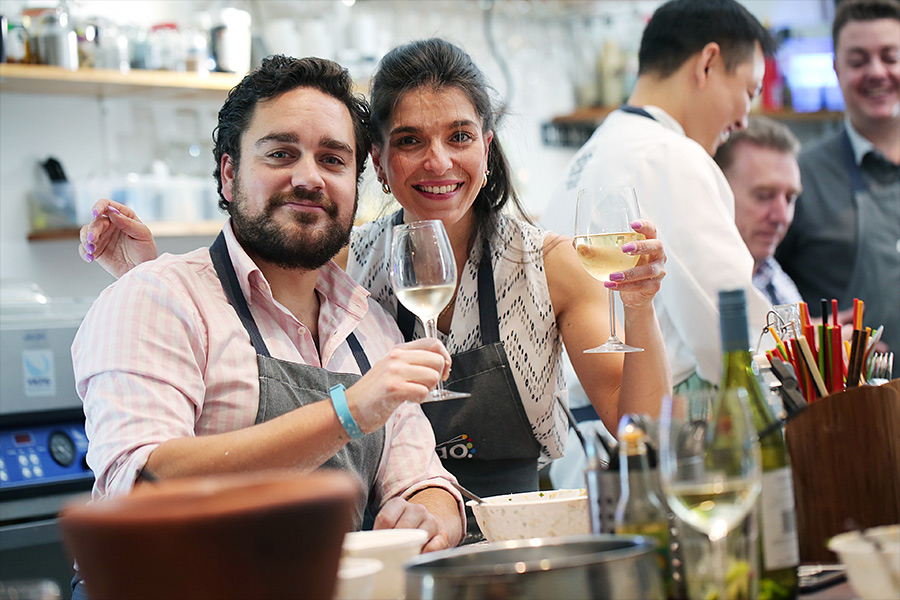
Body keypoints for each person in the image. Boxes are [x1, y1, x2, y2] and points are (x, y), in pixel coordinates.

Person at [77, 40, 672, 532]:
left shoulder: (534, 269)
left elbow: (637, 430)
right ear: (381, 167)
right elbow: (256, 267)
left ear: (487, 150)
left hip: (501, 529)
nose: (437, 161)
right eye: (410, 140)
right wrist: (147, 283)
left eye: (460, 137)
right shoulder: (350, 267)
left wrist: (639, 311)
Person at [71, 57, 465, 600]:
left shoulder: (370, 325)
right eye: (281, 153)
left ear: (356, 183)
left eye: (332, 159)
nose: (308, 177)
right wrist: (348, 412)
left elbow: (425, 479)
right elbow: (142, 486)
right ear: (229, 174)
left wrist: (431, 519)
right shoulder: (157, 297)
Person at [544, 0, 776, 392]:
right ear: (708, 64)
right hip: (658, 422)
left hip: (584, 427)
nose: (744, 120)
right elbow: (728, 328)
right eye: (749, 92)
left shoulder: (594, 150)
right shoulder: (669, 154)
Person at [775, 0, 899, 360]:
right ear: (836, 69)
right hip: (844, 407)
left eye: (890, 57)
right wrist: (805, 338)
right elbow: (755, 283)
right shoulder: (798, 178)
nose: (877, 72)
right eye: (859, 61)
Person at [714, 116, 804, 307]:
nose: (782, 216)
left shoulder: (772, 276)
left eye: (790, 198)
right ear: (717, 191)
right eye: (763, 196)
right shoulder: (697, 287)